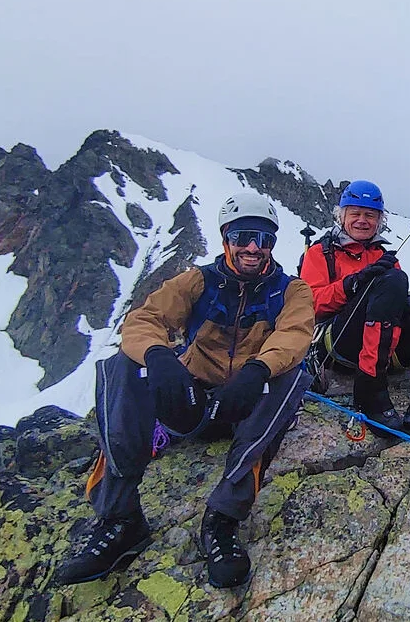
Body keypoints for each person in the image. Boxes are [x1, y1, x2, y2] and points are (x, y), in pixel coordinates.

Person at [54, 191, 315, 589]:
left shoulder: (291, 290)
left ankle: (223, 517)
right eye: (244, 236)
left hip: (244, 407)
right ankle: (120, 518)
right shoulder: (197, 281)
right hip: (191, 401)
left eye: (263, 239)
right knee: (120, 366)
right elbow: (145, 319)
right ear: (227, 238)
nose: (253, 247)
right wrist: (158, 356)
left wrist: (258, 369)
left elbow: (295, 336)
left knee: (294, 376)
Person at [299, 180, 410, 436]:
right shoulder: (321, 254)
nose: (363, 220)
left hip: (388, 344)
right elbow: (310, 304)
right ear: (342, 216)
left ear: (379, 219)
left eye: (370, 215)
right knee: (394, 279)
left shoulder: (382, 256)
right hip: (340, 342)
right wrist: (352, 285)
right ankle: (370, 390)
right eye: (356, 213)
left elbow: (391, 300)